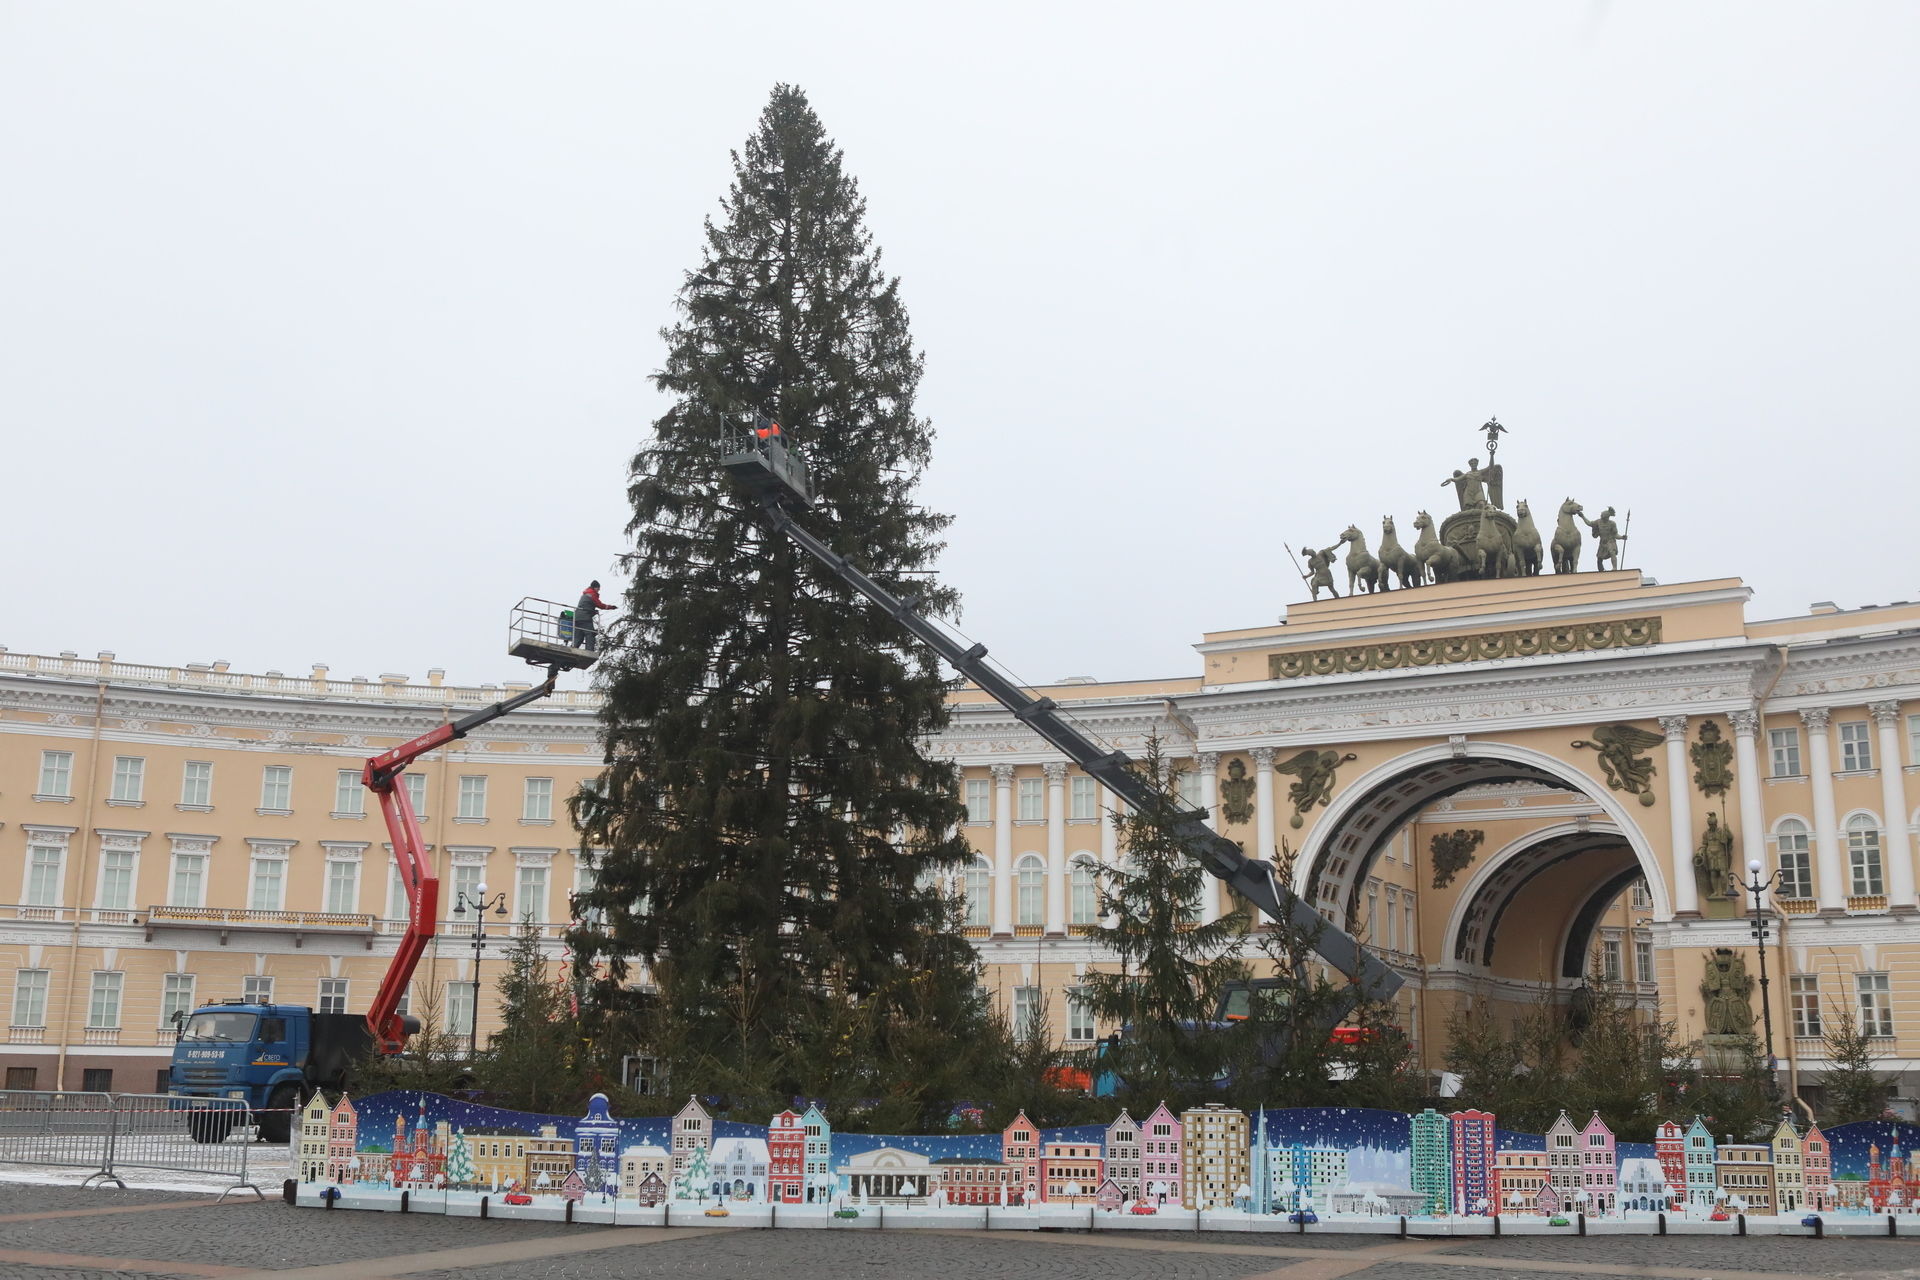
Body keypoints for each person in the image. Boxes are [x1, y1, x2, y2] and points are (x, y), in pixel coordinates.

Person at [575, 580, 615, 651]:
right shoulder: (592, 594)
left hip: (577, 618)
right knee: (590, 634)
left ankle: (573, 648)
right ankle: (589, 651)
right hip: (585, 618)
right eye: (598, 588)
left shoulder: (585, 594)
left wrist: (593, 611)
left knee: (579, 636)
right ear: (595, 587)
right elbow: (600, 605)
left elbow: (586, 605)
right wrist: (611, 607)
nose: (599, 590)